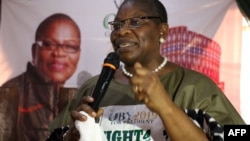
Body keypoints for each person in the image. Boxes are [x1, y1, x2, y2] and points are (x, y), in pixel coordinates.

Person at [48, 0, 245, 141]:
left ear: (163, 31)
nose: (122, 31)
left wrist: (165, 107)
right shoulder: (93, 88)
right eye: (117, 25)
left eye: (136, 22)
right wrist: (72, 137)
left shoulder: (195, 87)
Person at [0, 13, 81, 141]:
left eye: (70, 46)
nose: (59, 53)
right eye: (49, 44)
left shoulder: (80, 94)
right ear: (34, 51)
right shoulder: (12, 92)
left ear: (79, 54)